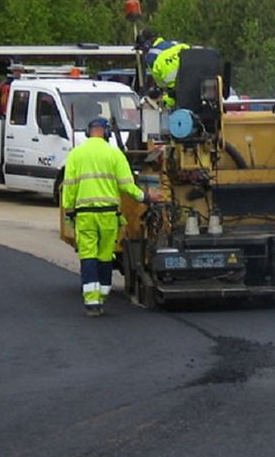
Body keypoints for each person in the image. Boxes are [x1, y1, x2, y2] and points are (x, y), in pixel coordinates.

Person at [60, 116, 156, 316]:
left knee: (88, 255)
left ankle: (91, 302)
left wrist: (69, 211)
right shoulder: (115, 155)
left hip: (85, 215)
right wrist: (146, 197)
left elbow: (68, 187)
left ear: (89, 132)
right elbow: (127, 186)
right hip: (108, 216)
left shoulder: (76, 154)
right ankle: (102, 294)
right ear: (107, 133)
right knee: (105, 255)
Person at [135, 29, 189, 107]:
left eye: (141, 49)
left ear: (146, 45)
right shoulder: (176, 44)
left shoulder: (151, 57)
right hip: (195, 83)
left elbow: (160, 84)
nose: (142, 52)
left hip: (177, 93)